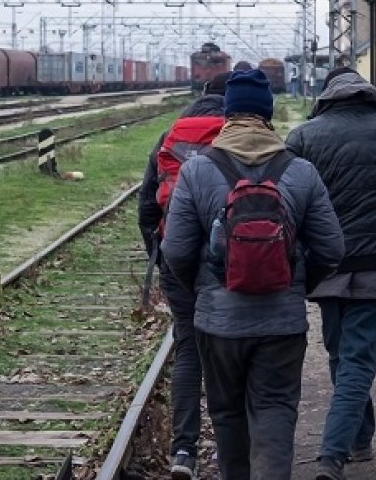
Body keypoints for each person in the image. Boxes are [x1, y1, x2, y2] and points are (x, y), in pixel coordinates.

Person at [162, 69, 345, 480]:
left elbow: (174, 249)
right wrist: (298, 282)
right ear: (268, 114)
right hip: (281, 320)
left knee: (227, 414)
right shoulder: (300, 171)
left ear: (228, 115)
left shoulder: (197, 171)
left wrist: (204, 290)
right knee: (276, 409)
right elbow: (332, 248)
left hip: (218, 321)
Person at [285, 68, 376, 480]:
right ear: (367, 93)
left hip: (324, 262)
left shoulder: (303, 136)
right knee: (355, 358)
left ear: (328, 95)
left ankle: (342, 447)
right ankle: (341, 448)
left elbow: (290, 201)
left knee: (343, 353)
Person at [136, 71, 230, 480]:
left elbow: (145, 207)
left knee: (188, 346)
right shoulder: (235, 135)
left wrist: (160, 257)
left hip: (175, 255)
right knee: (230, 347)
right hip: (224, 259)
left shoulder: (170, 135)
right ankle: (232, 450)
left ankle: (183, 452)